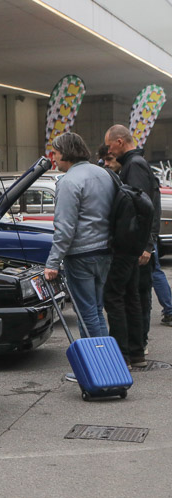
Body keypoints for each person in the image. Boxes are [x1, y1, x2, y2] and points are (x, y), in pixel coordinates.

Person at [44, 133, 114, 352]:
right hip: (105, 250)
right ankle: (106, 358)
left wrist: (52, 263)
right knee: (97, 309)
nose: (53, 158)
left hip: (81, 255)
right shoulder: (103, 174)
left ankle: (97, 361)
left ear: (66, 153)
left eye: (55, 152)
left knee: (87, 313)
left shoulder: (69, 181)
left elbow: (65, 228)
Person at [99, 143, 172, 334]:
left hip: (138, 244)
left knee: (139, 292)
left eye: (110, 158)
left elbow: (144, 209)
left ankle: (140, 339)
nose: (107, 163)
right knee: (137, 292)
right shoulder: (130, 169)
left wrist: (147, 245)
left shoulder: (134, 167)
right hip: (138, 244)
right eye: (104, 160)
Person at [104, 124, 160, 368]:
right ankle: (135, 353)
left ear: (119, 141)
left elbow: (139, 206)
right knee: (132, 297)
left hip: (128, 245)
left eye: (109, 146)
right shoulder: (136, 163)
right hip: (135, 245)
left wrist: (143, 245)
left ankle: (124, 354)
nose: (109, 151)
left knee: (118, 297)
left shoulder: (133, 166)